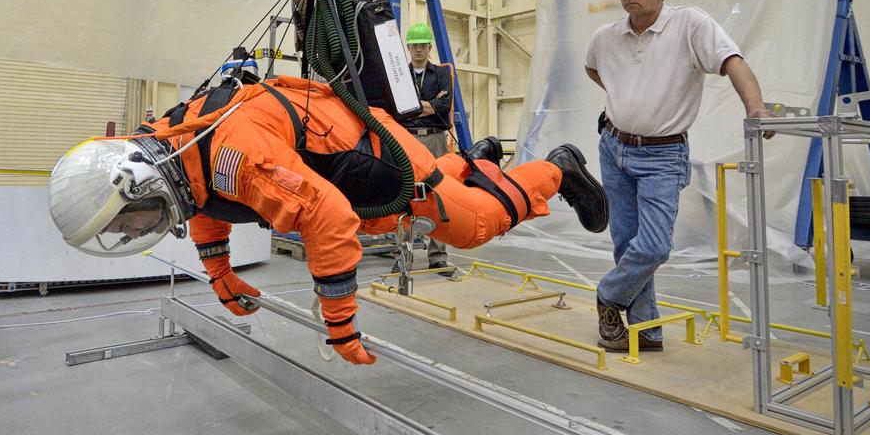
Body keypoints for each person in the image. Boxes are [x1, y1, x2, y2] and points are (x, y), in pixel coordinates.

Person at [49, 75, 608, 365]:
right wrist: (220, 274)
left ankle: (556, 170)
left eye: (133, 219)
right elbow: (203, 199)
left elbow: (327, 214)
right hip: (342, 154)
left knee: (473, 227)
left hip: (381, 155)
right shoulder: (179, 144)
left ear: (140, 181)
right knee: (399, 219)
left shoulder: (238, 156)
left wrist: (340, 323)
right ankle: (470, 161)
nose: (139, 228)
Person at [584, 0, 769, 353]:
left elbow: (732, 61)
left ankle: (609, 296)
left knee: (653, 246)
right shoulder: (605, 36)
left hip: (663, 156)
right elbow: (593, 67)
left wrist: (755, 107)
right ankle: (645, 331)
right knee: (625, 241)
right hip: (613, 148)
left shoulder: (691, 26)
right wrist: (624, 100)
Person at [395, 22, 455, 274]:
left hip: (435, 139)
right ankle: (403, 256)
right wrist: (429, 104)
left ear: (430, 46)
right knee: (405, 196)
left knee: (439, 195)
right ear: (408, 48)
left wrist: (415, 107)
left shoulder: (442, 73)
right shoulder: (400, 74)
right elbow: (399, 109)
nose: (418, 49)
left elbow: (443, 107)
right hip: (407, 139)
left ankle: (438, 256)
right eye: (414, 45)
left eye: (423, 45)